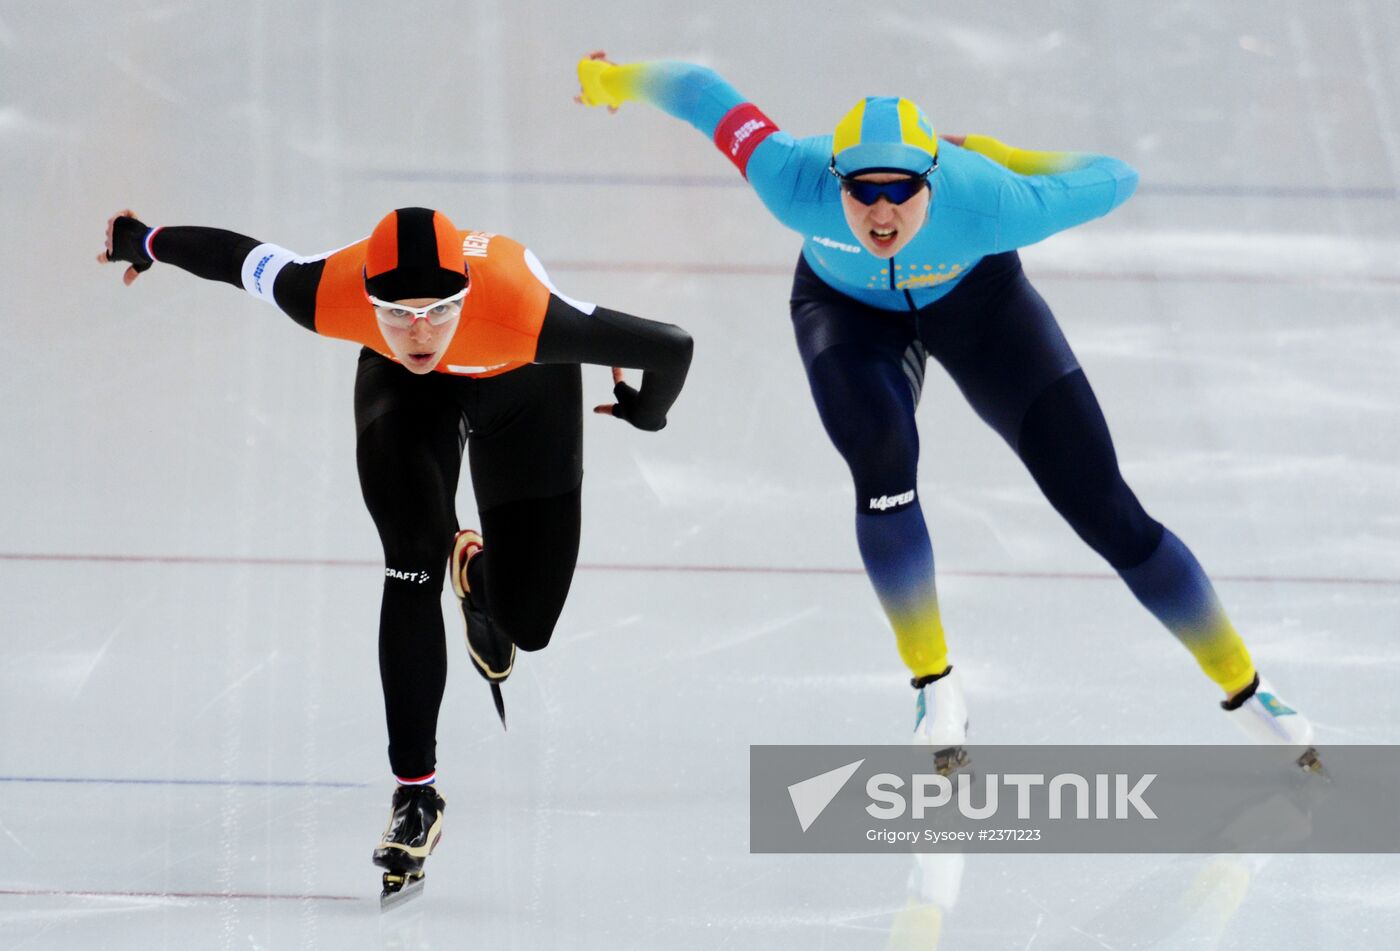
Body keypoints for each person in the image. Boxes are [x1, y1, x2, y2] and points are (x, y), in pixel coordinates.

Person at [574, 54, 1317, 770]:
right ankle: (934, 684)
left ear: (934, 178)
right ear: (834, 180)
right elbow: (698, 90)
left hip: (980, 304)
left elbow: (1117, 175)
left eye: (902, 189)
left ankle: (1249, 685)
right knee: (882, 462)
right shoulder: (789, 174)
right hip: (846, 312)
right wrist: (610, 80)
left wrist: (1003, 154)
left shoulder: (994, 200)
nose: (882, 212)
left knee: (1104, 504)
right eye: (862, 191)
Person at [98, 205, 694, 903]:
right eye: (397, 312)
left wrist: (645, 411)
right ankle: (417, 794)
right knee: (412, 558)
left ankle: (476, 576)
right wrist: (145, 241)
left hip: (521, 375)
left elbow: (673, 345)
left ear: (465, 293)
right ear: (367, 297)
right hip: (409, 399)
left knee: (528, 624)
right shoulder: (324, 290)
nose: (419, 331)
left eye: (438, 310)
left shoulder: (528, 310)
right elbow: (238, 257)